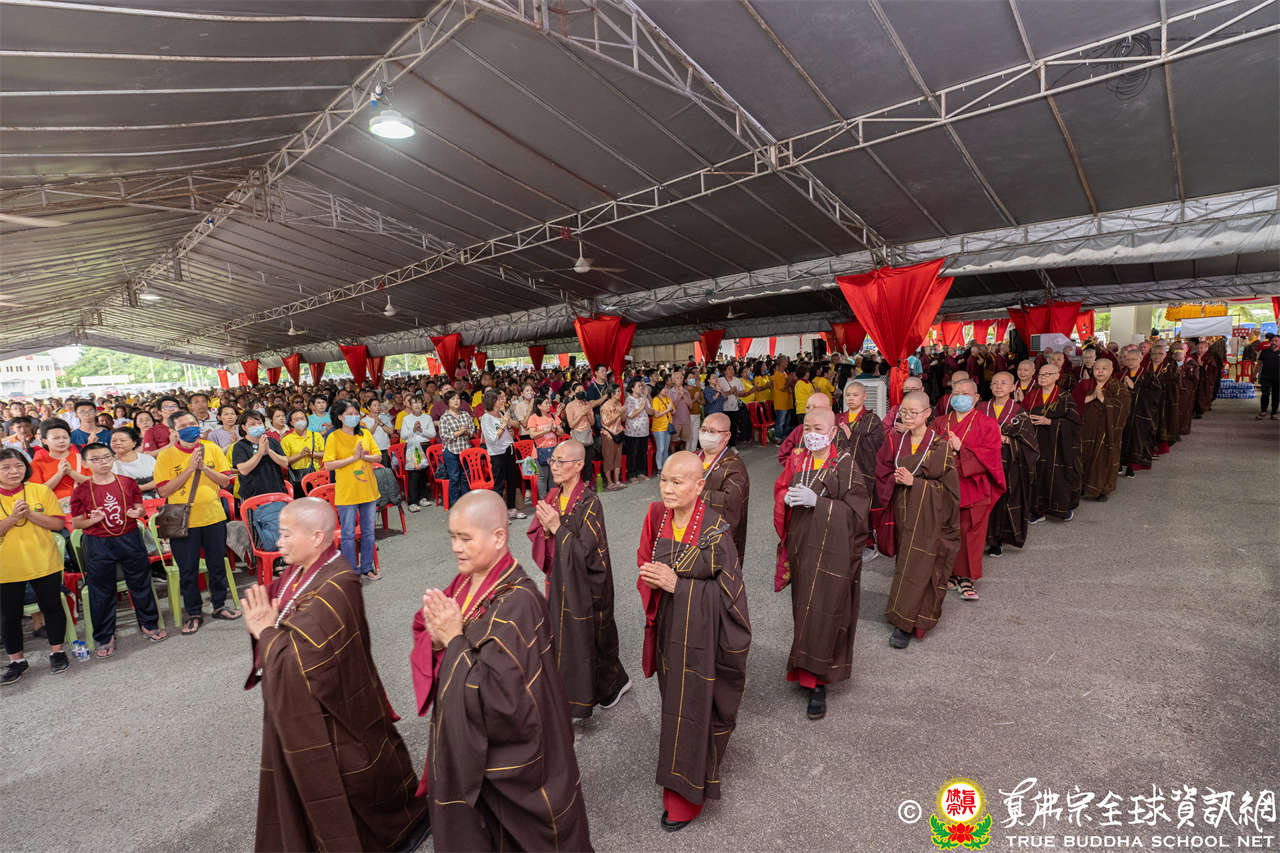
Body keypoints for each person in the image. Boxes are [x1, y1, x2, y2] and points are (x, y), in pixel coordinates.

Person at [241, 498, 429, 852]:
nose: (278, 542)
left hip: (336, 702)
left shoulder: (339, 581)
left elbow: (302, 661)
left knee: (352, 776)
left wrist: (265, 631)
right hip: (304, 704)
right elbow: (281, 615)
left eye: (286, 534)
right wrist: (267, 619)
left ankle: (395, 831)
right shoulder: (297, 572)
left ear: (316, 537)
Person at [412, 490, 592, 850]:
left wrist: (454, 640)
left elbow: (504, 700)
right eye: (452, 537)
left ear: (498, 537)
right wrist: (436, 640)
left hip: (509, 759)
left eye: (465, 538)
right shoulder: (465, 582)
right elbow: (432, 631)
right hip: (466, 737)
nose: (456, 548)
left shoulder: (520, 602)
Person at [637, 451, 750, 831]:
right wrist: (653, 580)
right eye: (663, 480)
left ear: (699, 486)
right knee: (675, 706)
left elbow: (731, 597)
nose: (667, 489)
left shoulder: (716, 530)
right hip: (669, 630)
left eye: (677, 482)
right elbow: (645, 562)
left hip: (703, 637)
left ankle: (687, 796)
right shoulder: (659, 518)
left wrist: (678, 586)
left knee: (693, 708)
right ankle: (680, 776)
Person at [772, 407, 868, 719]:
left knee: (827, 611)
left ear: (833, 432)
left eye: (818, 428)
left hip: (832, 553)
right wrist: (784, 498)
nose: (811, 434)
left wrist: (820, 504)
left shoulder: (845, 464)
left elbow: (857, 514)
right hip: (802, 547)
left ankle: (819, 683)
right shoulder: (798, 459)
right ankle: (802, 668)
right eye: (807, 428)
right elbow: (781, 489)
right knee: (804, 608)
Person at [527, 439, 631, 720]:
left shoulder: (590, 502)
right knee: (564, 635)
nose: (554, 466)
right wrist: (546, 531)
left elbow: (585, 552)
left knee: (592, 636)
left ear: (579, 465)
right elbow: (539, 536)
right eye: (553, 460)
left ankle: (613, 683)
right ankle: (571, 692)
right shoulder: (553, 496)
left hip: (587, 583)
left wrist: (556, 527)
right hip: (560, 579)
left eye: (560, 461)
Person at [874, 391, 960, 648]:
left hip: (930, 516)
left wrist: (916, 483)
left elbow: (950, 491)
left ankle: (909, 623)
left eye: (914, 412)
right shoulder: (895, 440)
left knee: (923, 566)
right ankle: (902, 614)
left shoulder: (939, 446)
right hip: (902, 512)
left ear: (927, 413)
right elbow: (881, 470)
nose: (908, 417)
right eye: (904, 412)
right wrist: (894, 480)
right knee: (906, 563)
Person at [70, 442, 166, 657]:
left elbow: (139, 507)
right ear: (85, 463)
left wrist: (137, 513)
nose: (103, 462)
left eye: (107, 457)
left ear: (113, 458)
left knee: (140, 582)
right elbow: (76, 523)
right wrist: (92, 520)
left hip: (129, 537)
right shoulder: (82, 490)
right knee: (101, 590)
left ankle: (149, 623)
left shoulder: (127, 482)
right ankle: (105, 636)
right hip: (98, 543)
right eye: (95, 459)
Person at [155, 410, 240, 634]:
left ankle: (219, 605)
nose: (190, 428)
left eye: (192, 423)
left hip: (213, 516)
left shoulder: (211, 449)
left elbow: (225, 482)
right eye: (183, 426)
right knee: (188, 569)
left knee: (217, 565)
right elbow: (164, 490)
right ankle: (193, 613)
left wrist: (203, 468)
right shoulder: (166, 456)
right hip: (182, 521)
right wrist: (190, 469)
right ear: (174, 431)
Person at [0, 448, 71, 684]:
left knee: (52, 607)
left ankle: (57, 651)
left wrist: (29, 515)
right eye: (6, 467)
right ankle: (17, 661)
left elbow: (57, 524)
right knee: (9, 616)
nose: (14, 471)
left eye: (19, 466)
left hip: (44, 560)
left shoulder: (40, 490)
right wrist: (13, 518)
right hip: (6, 567)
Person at [940, 379, 1005, 602]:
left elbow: (992, 456)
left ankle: (967, 577)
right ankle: (949, 572)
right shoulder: (940, 422)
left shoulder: (988, 424)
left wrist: (962, 449)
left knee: (971, 533)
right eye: (956, 392)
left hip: (974, 485)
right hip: (945, 484)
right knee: (947, 530)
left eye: (965, 393)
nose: (960, 397)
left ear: (976, 397)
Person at [981, 372, 1039, 557]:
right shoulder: (981, 408)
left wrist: (1007, 440)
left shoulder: (1020, 412)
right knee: (981, 500)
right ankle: (979, 537)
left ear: (1013, 387)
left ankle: (996, 540)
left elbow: (1030, 444)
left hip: (1008, 463)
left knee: (1002, 501)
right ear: (990, 386)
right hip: (981, 463)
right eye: (995, 383)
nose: (999, 386)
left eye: (1004, 383)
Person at [322, 400, 381, 580]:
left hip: (368, 489)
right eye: (349, 414)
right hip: (347, 492)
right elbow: (328, 465)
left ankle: (367, 567)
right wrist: (353, 458)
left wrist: (365, 457)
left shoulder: (364, 433)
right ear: (340, 417)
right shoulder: (333, 437)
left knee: (368, 532)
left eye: (356, 413)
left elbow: (378, 455)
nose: (353, 417)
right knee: (348, 534)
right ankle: (351, 571)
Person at [1026, 363, 1082, 524]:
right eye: (1040, 374)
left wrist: (1050, 421)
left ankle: (1061, 508)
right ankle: (1037, 510)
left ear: (1057, 376)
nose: (1043, 377)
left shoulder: (1064, 397)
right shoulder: (1032, 395)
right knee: (1036, 475)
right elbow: (1022, 414)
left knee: (1057, 476)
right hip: (1035, 442)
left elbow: (1074, 423)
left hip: (1058, 445)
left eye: (1047, 374)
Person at [696, 412, 750, 563]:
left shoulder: (734, 466)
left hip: (716, 538)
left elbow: (731, 502)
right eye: (703, 430)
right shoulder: (693, 457)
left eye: (712, 431)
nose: (706, 434)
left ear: (726, 436)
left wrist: (694, 494)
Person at [1077, 356, 1130, 503]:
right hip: (1087, 429)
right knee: (1084, 456)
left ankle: (1101, 490)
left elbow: (1123, 408)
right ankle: (1082, 486)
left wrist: (1103, 399)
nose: (1100, 372)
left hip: (1107, 431)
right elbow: (1074, 402)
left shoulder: (1119, 387)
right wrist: (1090, 397)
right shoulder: (1086, 384)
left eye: (1104, 369)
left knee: (1103, 459)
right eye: (1097, 369)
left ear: (1111, 370)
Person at [480, 390, 527, 520]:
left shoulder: (501, 413)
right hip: (497, 454)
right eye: (499, 399)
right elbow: (492, 439)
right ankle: (499, 513)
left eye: (502, 399)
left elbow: (510, 430)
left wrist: (508, 424)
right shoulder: (486, 418)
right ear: (492, 401)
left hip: (509, 449)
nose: (502, 401)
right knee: (499, 484)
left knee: (512, 480)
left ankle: (511, 509)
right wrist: (504, 424)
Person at [30, 418, 90, 520]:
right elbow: (38, 493)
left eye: (65, 437)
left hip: (83, 511)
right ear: (44, 441)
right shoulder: (37, 464)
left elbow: (94, 484)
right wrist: (59, 474)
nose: (61, 441)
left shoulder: (82, 458)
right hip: (52, 514)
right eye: (56, 438)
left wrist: (71, 472)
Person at [1118, 345, 1161, 479]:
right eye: (1128, 359)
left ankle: (1131, 467)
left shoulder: (1148, 375)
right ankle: (1119, 464)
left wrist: (1135, 387)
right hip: (1123, 413)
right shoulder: (1121, 374)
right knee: (1121, 438)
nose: (1130, 362)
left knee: (1136, 440)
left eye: (1134, 359)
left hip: (1140, 414)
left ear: (1140, 359)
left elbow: (1155, 395)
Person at [231, 410, 289, 502]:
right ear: (244, 427)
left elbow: (285, 463)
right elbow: (243, 470)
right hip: (253, 496)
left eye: (260, 423)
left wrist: (269, 451)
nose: (257, 426)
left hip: (277, 491)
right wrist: (260, 452)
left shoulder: (272, 441)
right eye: (252, 424)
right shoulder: (239, 446)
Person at [398, 396, 436, 512]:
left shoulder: (427, 417)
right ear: (410, 405)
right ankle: (412, 502)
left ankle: (423, 497)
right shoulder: (406, 419)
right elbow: (403, 436)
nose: (417, 405)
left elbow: (433, 434)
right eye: (414, 403)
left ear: (423, 404)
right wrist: (413, 429)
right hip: (413, 448)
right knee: (414, 475)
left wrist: (421, 430)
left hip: (425, 446)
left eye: (419, 402)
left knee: (424, 473)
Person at [437, 390, 472, 506]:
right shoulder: (444, 417)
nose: (456, 401)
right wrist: (460, 432)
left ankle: (466, 502)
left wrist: (467, 432)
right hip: (451, 451)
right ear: (447, 402)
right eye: (453, 399)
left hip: (465, 450)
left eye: (457, 398)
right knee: (454, 478)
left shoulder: (465, 414)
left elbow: (472, 430)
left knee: (466, 477)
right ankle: (455, 504)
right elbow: (444, 436)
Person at [776, 392, 831, 463]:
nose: (811, 410)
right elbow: (783, 455)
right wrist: (795, 465)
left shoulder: (833, 431)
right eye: (808, 407)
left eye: (816, 407)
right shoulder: (799, 430)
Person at [279, 409, 324, 490]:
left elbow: (325, 454)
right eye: (296, 419)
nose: (300, 421)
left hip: (316, 477)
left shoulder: (316, 436)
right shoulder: (286, 440)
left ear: (306, 420)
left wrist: (312, 454)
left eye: (302, 418)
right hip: (296, 479)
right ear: (291, 423)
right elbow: (284, 461)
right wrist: (300, 455)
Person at [525, 394, 560, 496]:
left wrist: (555, 429)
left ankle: (553, 499)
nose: (549, 405)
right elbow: (532, 435)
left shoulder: (552, 416)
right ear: (539, 406)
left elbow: (561, 432)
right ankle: (543, 500)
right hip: (540, 451)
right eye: (546, 403)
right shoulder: (533, 418)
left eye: (549, 403)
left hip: (553, 450)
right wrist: (547, 430)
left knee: (553, 476)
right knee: (543, 477)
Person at [110, 427, 156, 495]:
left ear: (134, 443)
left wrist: (139, 488)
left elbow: (160, 480)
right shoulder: (108, 463)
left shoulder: (147, 459)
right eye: (114, 441)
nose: (118, 443)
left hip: (152, 498)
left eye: (122, 440)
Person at [599, 383, 626, 490]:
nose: (620, 393)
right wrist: (618, 413)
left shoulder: (619, 403)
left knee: (618, 458)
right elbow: (606, 422)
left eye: (620, 391)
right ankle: (610, 482)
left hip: (618, 432)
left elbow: (622, 419)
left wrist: (623, 413)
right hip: (608, 434)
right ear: (612, 393)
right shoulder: (605, 406)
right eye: (618, 391)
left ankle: (617, 481)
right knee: (608, 458)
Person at [623, 378, 651, 481]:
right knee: (632, 454)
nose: (641, 388)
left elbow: (650, 411)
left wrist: (646, 399)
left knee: (642, 453)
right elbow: (631, 415)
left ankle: (641, 472)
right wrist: (642, 404)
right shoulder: (629, 400)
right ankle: (632, 474)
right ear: (632, 388)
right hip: (633, 432)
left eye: (641, 386)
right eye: (639, 386)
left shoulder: (644, 398)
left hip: (644, 430)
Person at [1173, 342, 1200, 435]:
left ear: (1187, 350)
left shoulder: (1191, 362)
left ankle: (1183, 429)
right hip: (1174, 389)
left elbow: (1195, 378)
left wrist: (1184, 369)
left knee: (1185, 409)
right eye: (1178, 348)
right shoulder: (1172, 360)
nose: (1180, 350)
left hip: (1186, 390)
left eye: (1182, 349)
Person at [1253, 333, 1280, 419]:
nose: (1273, 342)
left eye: (1276, 341)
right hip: (1265, 377)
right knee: (1265, 394)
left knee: (1276, 395)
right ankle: (1263, 411)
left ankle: (1274, 413)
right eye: (1272, 341)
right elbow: (1258, 364)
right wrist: (1254, 375)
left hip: (1278, 378)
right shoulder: (1264, 352)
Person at [650, 381, 674, 471]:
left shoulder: (668, 398)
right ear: (659, 390)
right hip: (659, 428)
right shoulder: (655, 400)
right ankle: (659, 468)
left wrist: (671, 409)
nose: (666, 390)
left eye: (666, 388)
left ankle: (665, 467)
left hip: (668, 426)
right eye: (664, 388)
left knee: (666, 448)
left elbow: (673, 411)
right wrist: (667, 409)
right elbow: (656, 415)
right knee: (661, 448)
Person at [771, 356, 795, 443]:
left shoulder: (784, 373)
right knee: (780, 422)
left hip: (787, 402)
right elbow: (783, 388)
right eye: (785, 362)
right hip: (781, 403)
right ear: (781, 363)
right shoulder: (777, 375)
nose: (787, 363)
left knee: (786, 423)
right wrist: (790, 380)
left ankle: (784, 438)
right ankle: (778, 439)